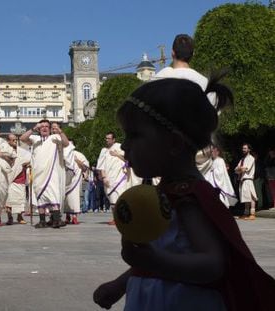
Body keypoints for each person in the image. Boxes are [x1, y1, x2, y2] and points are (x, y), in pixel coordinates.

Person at [93, 78, 275, 310]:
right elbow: (166, 253)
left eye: (134, 136)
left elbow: (212, 265)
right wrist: (120, 284)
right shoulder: (169, 192)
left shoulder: (188, 198)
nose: (125, 146)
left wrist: (151, 261)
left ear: (174, 143)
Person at [154, 33, 216, 176]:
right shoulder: (205, 83)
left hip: (167, 153)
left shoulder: (158, 80)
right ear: (192, 54)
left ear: (172, 53)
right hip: (199, 155)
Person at [20, 120, 69, 228]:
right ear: (39, 128)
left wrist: (60, 131)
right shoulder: (35, 139)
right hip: (38, 173)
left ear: (50, 129)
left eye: (47, 126)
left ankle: (56, 220)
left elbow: (66, 143)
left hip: (51, 173)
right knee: (40, 196)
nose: (44, 128)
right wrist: (33, 128)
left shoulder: (54, 138)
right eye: (42, 126)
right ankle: (42, 221)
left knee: (53, 195)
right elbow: (22, 139)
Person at [96, 132, 128, 225]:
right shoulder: (104, 151)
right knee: (112, 199)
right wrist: (104, 177)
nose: (107, 140)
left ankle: (122, 218)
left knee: (120, 197)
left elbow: (127, 159)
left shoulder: (119, 147)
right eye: (106, 138)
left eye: (109, 138)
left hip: (120, 176)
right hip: (109, 177)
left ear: (114, 139)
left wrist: (117, 154)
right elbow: (101, 165)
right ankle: (115, 218)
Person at [5, 134, 30, 225]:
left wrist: (27, 164)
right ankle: (10, 218)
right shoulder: (4, 151)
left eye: (16, 140)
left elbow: (30, 158)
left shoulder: (22, 152)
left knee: (20, 200)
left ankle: (20, 217)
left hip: (20, 178)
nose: (15, 142)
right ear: (8, 141)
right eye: (13, 140)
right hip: (9, 178)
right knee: (9, 200)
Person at [63, 141, 89, 225]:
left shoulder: (79, 154)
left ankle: (74, 217)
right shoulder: (62, 154)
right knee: (66, 199)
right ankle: (67, 216)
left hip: (76, 180)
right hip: (65, 180)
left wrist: (77, 160)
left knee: (74, 197)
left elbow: (85, 168)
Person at [235, 144, 258, 220]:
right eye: (243, 148)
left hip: (248, 179)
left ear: (249, 149)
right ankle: (246, 213)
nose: (243, 149)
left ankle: (252, 214)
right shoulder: (242, 159)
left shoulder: (251, 158)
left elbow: (245, 169)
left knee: (251, 197)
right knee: (246, 197)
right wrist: (240, 169)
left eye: (245, 148)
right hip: (242, 180)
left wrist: (240, 169)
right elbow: (236, 170)